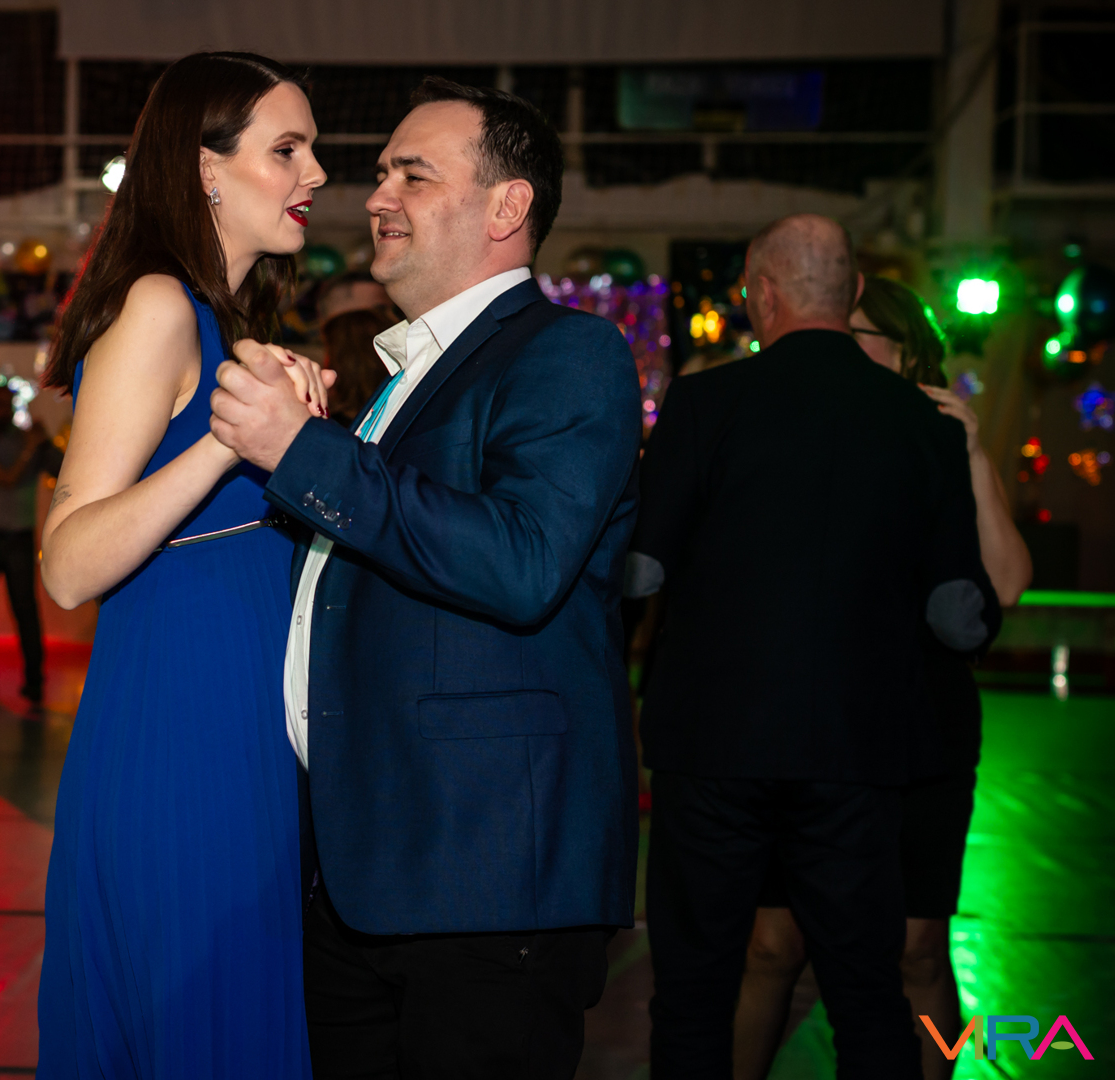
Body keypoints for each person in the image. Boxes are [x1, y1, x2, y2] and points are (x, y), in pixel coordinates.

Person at [209, 77, 641, 1077]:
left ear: (507, 206)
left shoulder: (568, 352)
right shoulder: (408, 378)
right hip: (365, 865)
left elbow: (522, 562)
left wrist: (300, 452)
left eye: (414, 174)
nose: (376, 197)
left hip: (483, 871)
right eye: (381, 174)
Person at [627, 215, 1000, 1079]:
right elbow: (960, 615)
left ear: (758, 294)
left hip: (711, 747)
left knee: (693, 990)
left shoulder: (705, 403)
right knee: (865, 991)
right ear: (854, 290)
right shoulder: (921, 424)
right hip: (857, 752)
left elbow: (640, 569)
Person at [35, 52, 331, 1077]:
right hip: (180, 733)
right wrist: (229, 436)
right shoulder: (160, 305)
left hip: (242, 729)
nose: (315, 174)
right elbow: (68, 563)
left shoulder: (225, 323)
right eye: (286, 149)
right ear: (207, 167)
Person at [731, 276, 1032, 1080]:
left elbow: (1005, 585)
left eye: (859, 334)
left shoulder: (937, 439)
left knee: (916, 948)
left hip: (918, 727)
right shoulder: (791, 431)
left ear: (906, 355)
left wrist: (970, 452)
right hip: (804, 722)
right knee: (771, 944)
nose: (836, 347)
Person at [0, 384, 63, 703]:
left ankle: (34, 679)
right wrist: (35, 445)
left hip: (17, 534)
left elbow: (61, 467)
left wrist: (45, 441)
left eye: (4, 403)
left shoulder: (28, 439)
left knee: (24, 610)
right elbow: (6, 478)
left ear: (13, 406)